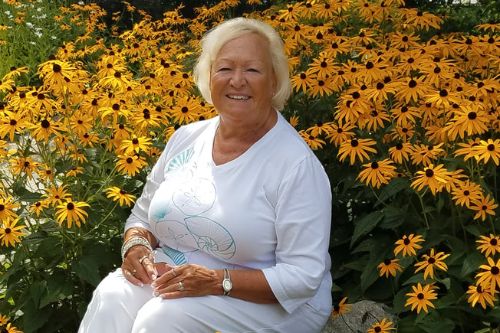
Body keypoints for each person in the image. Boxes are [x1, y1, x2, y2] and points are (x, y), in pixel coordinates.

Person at [78, 17, 332, 333]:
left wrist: (216, 280)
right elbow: (141, 219)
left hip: (275, 300)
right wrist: (136, 246)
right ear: (208, 77)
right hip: (177, 273)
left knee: (161, 319)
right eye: (225, 68)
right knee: (112, 295)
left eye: (252, 70)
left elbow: (303, 276)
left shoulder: (294, 166)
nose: (237, 80)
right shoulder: (185, 138)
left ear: (274, 81)